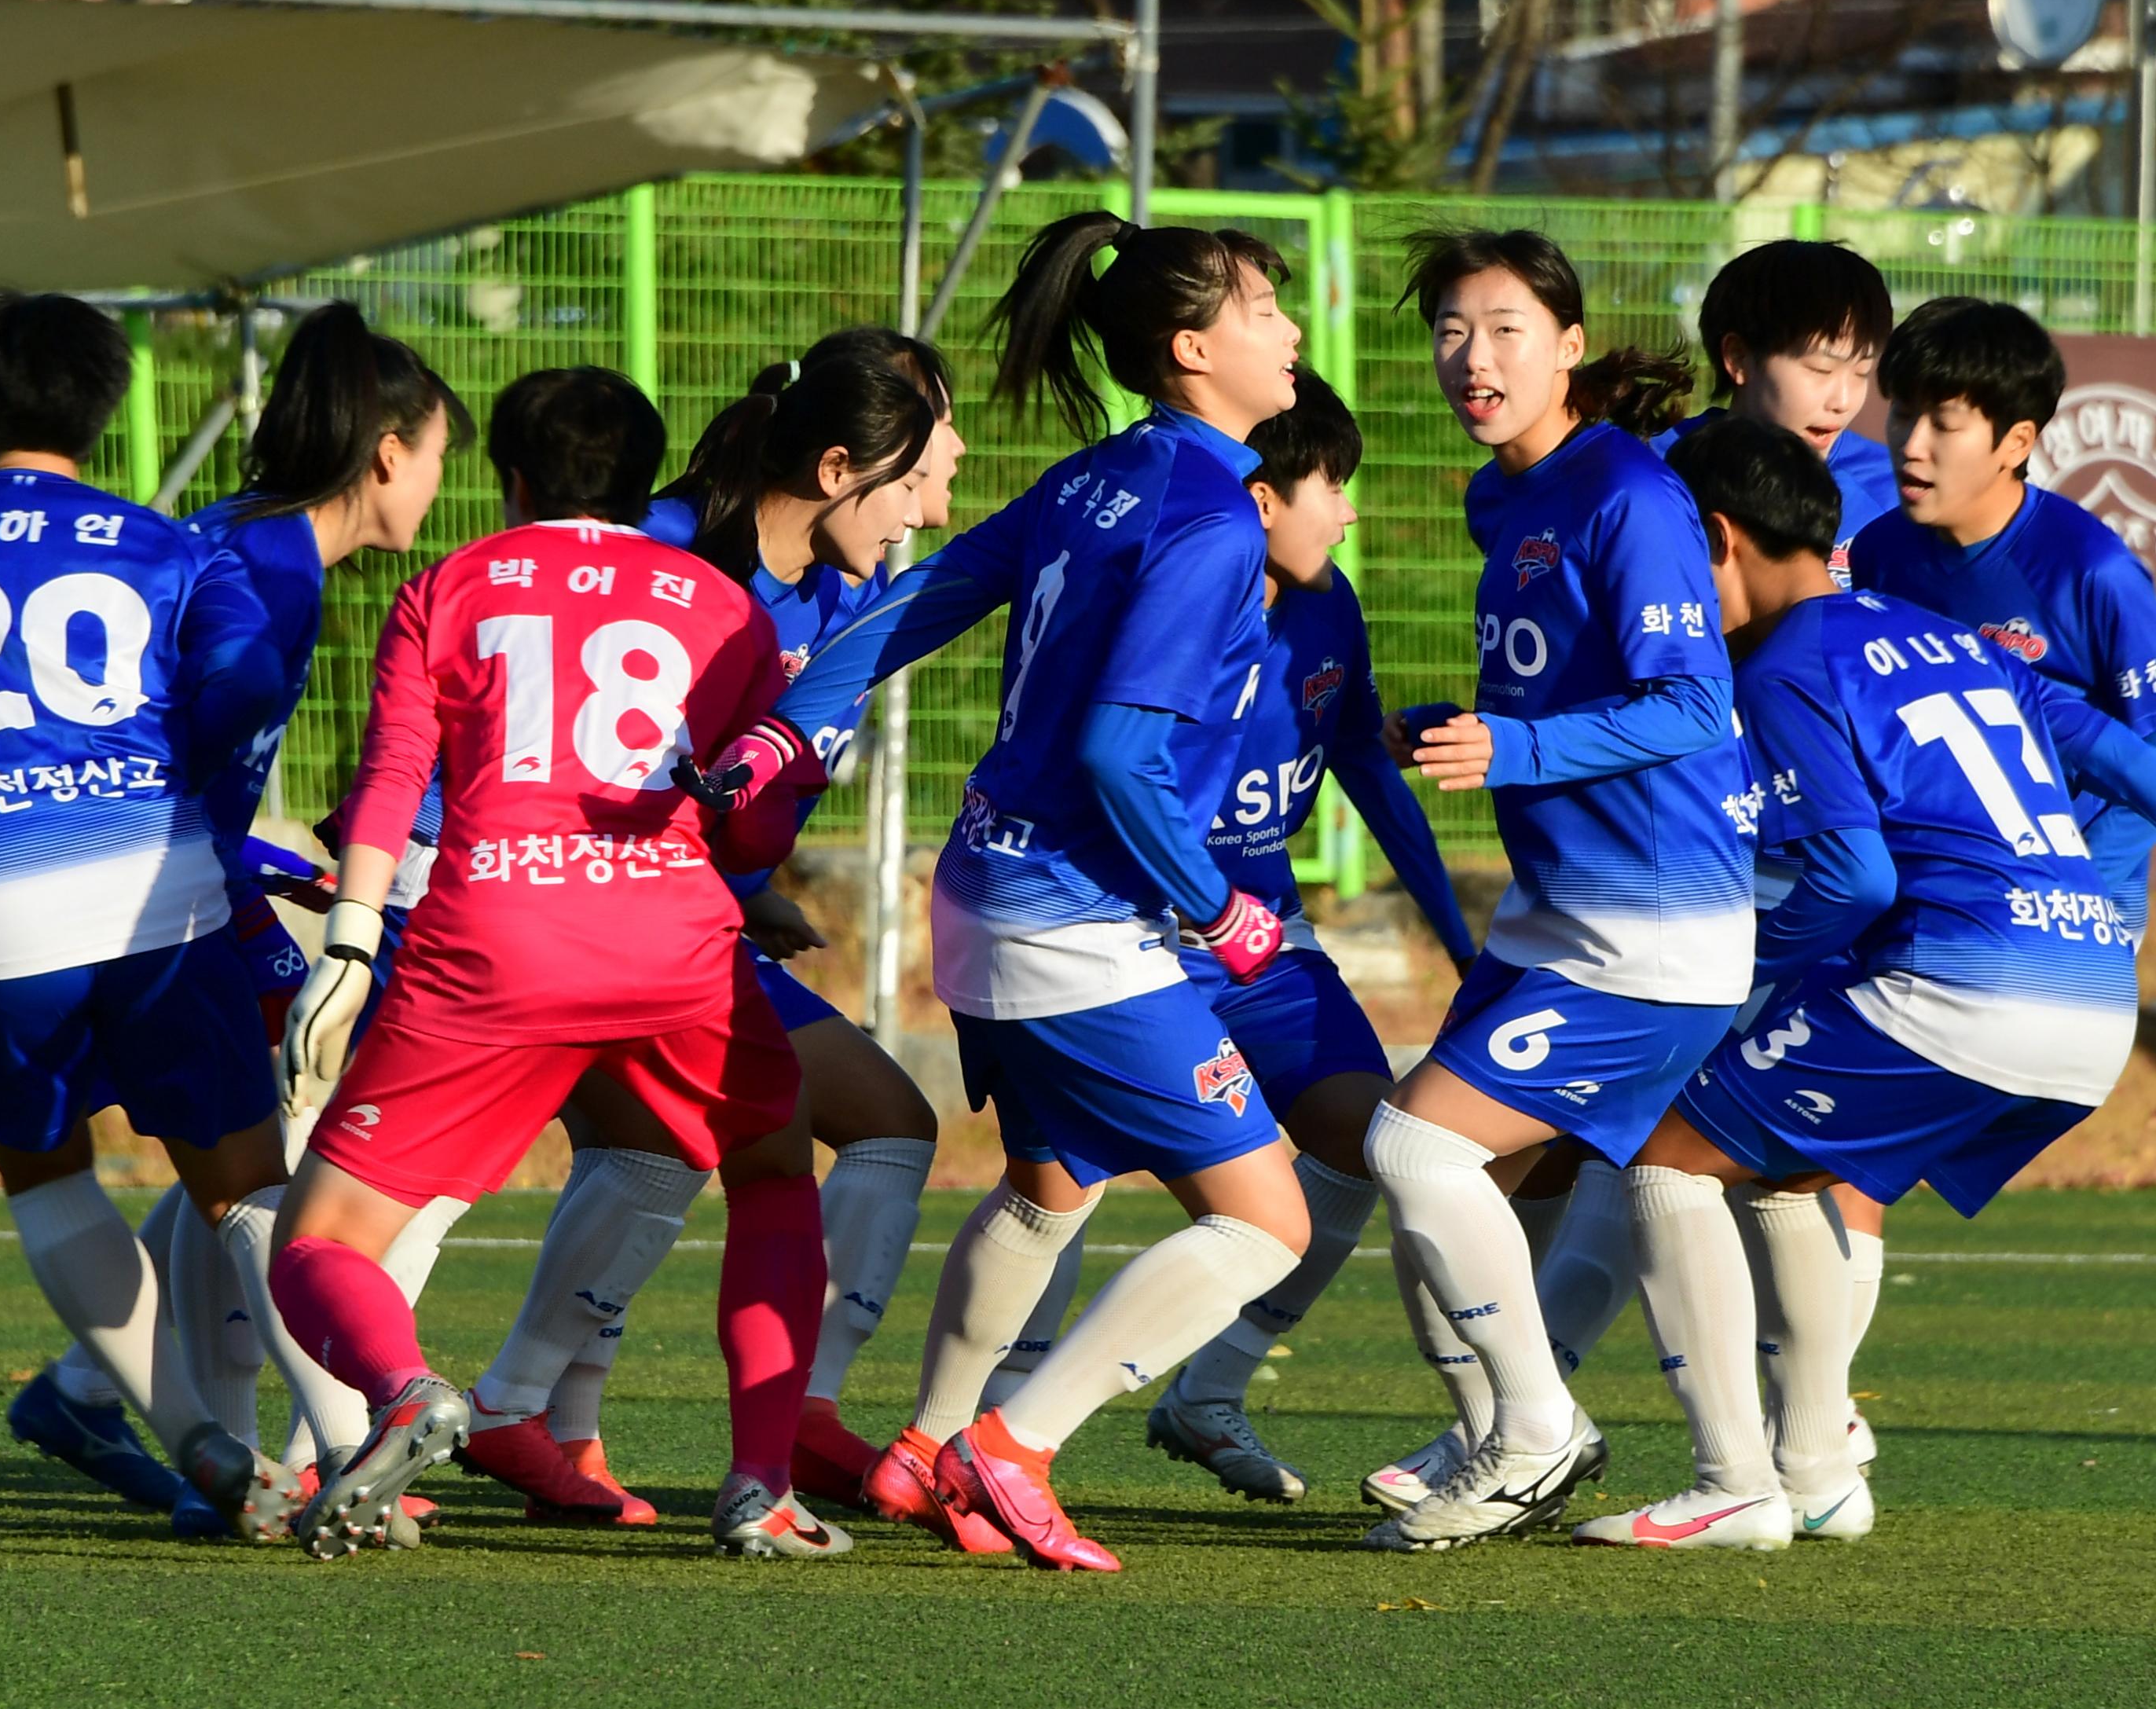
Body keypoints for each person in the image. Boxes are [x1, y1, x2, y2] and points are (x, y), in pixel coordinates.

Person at [1581, 416, 2156, 1546]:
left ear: (1717, 539)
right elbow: (2141, 766)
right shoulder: (1955, 641)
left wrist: (1739, 961)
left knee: (1664, 1161)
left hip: (1959, 987)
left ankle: (1729, 1480)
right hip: (2090, 993)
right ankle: (1818, 1469)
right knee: (1791, 1171)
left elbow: (1852, 876)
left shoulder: (1784, 665)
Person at [738, 213, 1315, 1573]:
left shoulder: (1099, 473)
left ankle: (924, 1444)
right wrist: (1217, 908)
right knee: (1265, 1222)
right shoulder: (1212, 519)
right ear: (1190, 349)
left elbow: (913, 598)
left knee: (1048, 1186)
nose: (1286, 330)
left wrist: (786, 721)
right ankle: (1012, 1444)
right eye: (1261, 310)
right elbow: (1121, 752)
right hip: (1073, 916)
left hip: (985, 890)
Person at [262, 365, 840, 1559]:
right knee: (775, 1176)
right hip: (675, 950)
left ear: (511, 479)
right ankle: (759, 1488)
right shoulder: (724, 605)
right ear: (649, 478)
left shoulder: (449, 587)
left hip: (493, 945)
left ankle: (408, 1393)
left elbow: (388, 782)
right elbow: (753, 829)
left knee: (317, 1242)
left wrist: (354, 940)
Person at [0, 290, 299, 1537]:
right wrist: (155, 768)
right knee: (240, 1180)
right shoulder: (165, 544)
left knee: (50, 1181)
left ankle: (190, 1436)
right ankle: (351, 1432)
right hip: (153, 893)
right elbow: (244, 683)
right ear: (100, 405)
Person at [454, 331, 954, 1526]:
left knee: (874, 1123)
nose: (931, 512)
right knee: (700, 1144)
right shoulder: (672, 553)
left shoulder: (852, 593)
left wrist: (754, 893)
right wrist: (418, 839)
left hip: (689, 920)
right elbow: (529, 702)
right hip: (574, 911)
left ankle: (601, 1422)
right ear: (843, 465)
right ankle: (478, 1415)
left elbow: (726, 785)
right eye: (924, 476)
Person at [2, 301, 473, 1536]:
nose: (435, 489)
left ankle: (89, 1388)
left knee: (248, 1145)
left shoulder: (252, 545)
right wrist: (250, 862)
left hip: (169, 882)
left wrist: (269, 859)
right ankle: (346, 1446)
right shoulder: (263, 575)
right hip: (149, 903)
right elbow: (155, 763)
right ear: (385, 455)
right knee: (285, 1163)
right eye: (434, 460)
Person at [1355, 228, 1752, 1553]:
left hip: (1649, 925)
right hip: (1557, 913)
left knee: (1415, 1148)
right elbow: (1553, 681)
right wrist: (1463, 722)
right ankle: (1504, 1428)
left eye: (1507, 327)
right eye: (1452, 331)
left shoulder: (1625, 495)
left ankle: (1538, 1433)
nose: (1474, 357)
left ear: (1569, 346)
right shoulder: (1501, 494)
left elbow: (1693, 704)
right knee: (1436, 1176)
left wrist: (1511, 746)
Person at [1137, 370, 1480, 1504]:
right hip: (1138, 941)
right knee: (1061, 1186)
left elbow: (1365, 768)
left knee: (1366, 1145)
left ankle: (1210, 1387)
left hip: (1269, 944)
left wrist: (1453, 936)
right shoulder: (1178, 593)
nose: (1348, 510)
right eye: (1333, 484)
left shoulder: (1329, 602)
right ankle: (978, 1429)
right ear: (1260, 497)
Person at [1855, 296, 2156, 930]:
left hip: (2076, 911)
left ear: (2016, 441)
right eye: (1902, 414)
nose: (1912, 444)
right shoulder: (1878, 554)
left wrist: (2074, 882)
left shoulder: (2092, 570)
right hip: (1931, 888)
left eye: (1944, 423)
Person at [1676, 237, 1898, 573]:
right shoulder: (1661, 474)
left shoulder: (1893, 492)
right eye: (1820, 370)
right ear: (1738, 358)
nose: (1843, 401)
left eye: (1861, 372)